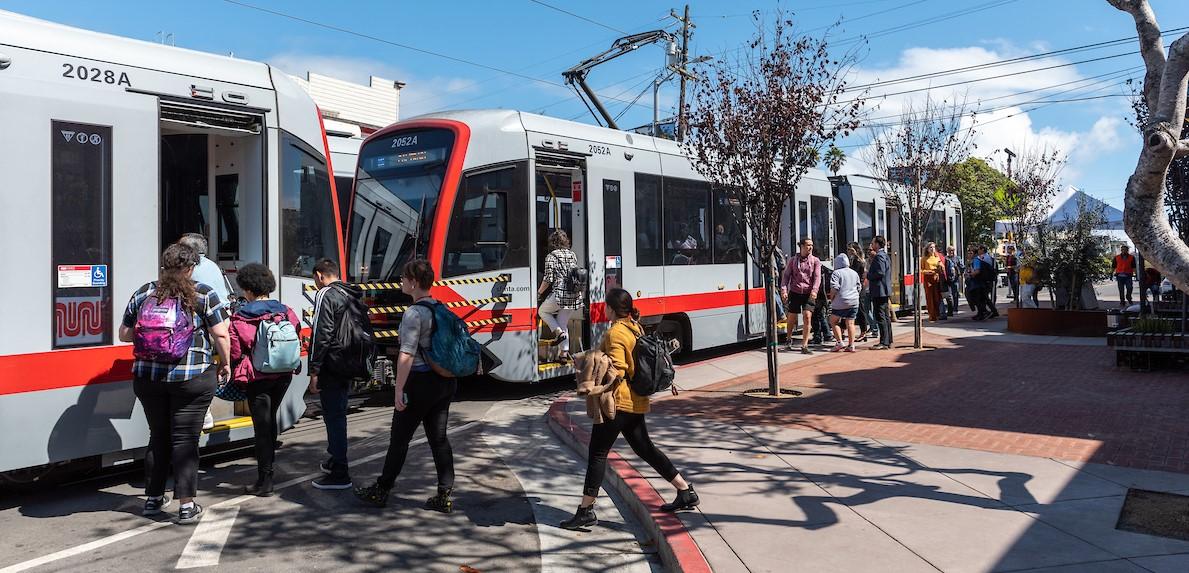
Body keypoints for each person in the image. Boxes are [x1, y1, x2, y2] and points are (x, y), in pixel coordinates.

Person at [560, 288, 698, 530]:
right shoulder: (636, 327)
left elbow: (619, 369)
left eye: (606, 305)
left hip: (618, 403)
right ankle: (685, 490)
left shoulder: (616, 332)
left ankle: (585, 510)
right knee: (645, 449)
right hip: (636, 402)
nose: (604, 309)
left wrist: (590, 371)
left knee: (597, 453)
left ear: (611, 308)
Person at [119, 244, 231, 524]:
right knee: (185, 440)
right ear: (191, 268)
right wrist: (225, 363)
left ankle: (153, 499)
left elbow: (124, 334)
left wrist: (152, 338)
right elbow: (221, 334)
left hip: (149, 378)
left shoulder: (144, 292)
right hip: (190, 378)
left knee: (158, 436)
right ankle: (186, 505)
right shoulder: (203, 293)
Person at [354, 260, 458, 512]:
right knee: (439, 439)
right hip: (444, 381)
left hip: (419, 382)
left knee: (399, 440)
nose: (401, 281)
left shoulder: (414, 313)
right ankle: (444, 495)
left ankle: (382, 490)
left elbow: (407, 354)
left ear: (413, 282)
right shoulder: (440, 307)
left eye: (403, 277)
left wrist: (399, 389)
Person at [227, 263, 301, 497]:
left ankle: (265, 480)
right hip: (284, 375)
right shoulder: (286, 311)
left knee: (262, 426)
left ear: (248, 289)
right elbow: (296, 335)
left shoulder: (241, 317)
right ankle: (267, 473)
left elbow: (236, 351)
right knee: (269, 421)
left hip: (257, 377)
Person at [307, 258, 366, 490]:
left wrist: (314, 370)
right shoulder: (350, 292)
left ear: (320, 275)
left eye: (315, 279)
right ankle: (334, 458)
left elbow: (321, 334)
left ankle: (340, 470)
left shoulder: (326, 294)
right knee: (339, 413)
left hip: (332, 364)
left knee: (333, 416)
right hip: (350, 361)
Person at [538, 230, 581, 359]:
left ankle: (558, 333)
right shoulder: (572, 254)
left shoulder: (551, 256)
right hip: (574, 295)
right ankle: (563, 354)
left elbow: (548, 279)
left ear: (552, 242)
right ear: (565, 241)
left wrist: (539, 293)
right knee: (562, 322)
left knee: (543, 312)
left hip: (560, 295)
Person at [780, 238, 822, 354]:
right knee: (792, 317)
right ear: (802, 246)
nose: (810, 247)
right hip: (795, 292)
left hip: (809, 293)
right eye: (808, 245)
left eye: (812, 245)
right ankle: (788, 339)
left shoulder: (815, 261)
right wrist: (784, 290)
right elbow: (786, 277)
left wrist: (814, 290)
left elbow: (817, 277)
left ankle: (804, 345)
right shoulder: (793, 261)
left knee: (807, 316)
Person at [178, 233, 232, 304]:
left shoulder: (192, 266)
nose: (176, 250)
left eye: (179, 247)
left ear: (188, 250)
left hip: (207, 311)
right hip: (221, 309)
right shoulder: (211, 264)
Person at [829, 254, 861, 352]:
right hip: (854, 301)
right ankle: (851, 345)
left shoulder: (836, 273)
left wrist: (831, 298)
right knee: (850, 323)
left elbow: (835, 288)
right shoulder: (854, 273)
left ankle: (839, 342)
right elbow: (859, 287)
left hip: (840, 301)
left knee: (833, 321)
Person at [867, 236, 894, 349]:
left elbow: (880, 272)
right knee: (885, 315)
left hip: (879, 290)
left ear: (877, 244)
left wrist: (868, 275)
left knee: (880, 315)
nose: (871, 245)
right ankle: (888, 339)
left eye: (873, 243)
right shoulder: (885, 256)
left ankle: (884, 341)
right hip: (884, 290)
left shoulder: (879, 257)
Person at [847, 243, 872, 341]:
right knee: (857, 309)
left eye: (850, 249)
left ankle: (863, 331)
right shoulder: (854, 260)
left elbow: (857, 273)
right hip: (856, 287)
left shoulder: (858, 261)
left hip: (858, 288)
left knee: (861, 309)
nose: (848, 251)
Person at [920, 242, 944, 322]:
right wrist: (928, 271)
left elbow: (942, 267)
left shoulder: (937, 257)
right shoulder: (924, 258)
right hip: (928, 279)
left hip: (936, 278)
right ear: (927, 249)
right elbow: (921, 270)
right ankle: (932, 315)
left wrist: (940, 267)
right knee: (929, 297)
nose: (932, 249)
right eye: (930, 247)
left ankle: (937, 314)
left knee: (937, 297)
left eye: (933, 247)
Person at [945, 245, 963, 316]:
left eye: (952, 250)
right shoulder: (945, 258)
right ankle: (951, 309)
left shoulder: (957, 258)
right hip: (948, 279)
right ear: (947, 251)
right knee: (949, 295)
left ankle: (955, 308)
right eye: (950, 250)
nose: (951, 252)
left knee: (955, 294)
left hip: (955, 279)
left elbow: (961, 267)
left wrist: (960, 273)